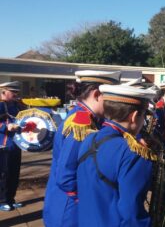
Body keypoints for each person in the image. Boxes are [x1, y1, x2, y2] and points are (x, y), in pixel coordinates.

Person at [43, 70, 121, 227]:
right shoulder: (81, 122)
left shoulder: (93, 119)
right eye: (111, 97)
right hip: (70, 209)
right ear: (97, 94)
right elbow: (66, 176)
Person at [77, 84, 157, 226]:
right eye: (144, 115)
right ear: (134, 116)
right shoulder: (133, 152)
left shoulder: (88, 137)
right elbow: (132, 213)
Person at [0, 81, 23, 211]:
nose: (16, 94)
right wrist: (5, 126)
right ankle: (2, 200)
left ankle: (10, 199)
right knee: (4, 174)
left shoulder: (16, 105)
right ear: (4, 92)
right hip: (3, 145)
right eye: (13, 92)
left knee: (14, 174)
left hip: (16, 144)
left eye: (16, 92)